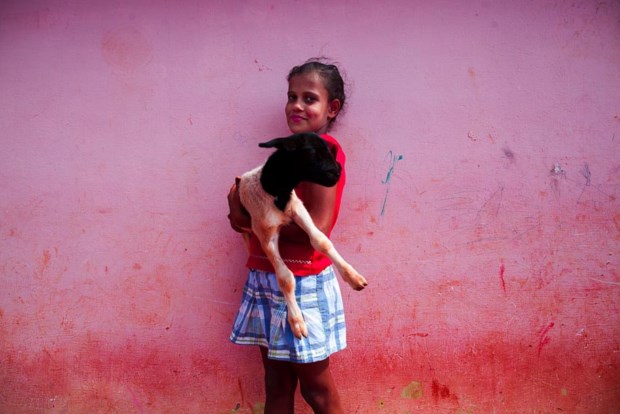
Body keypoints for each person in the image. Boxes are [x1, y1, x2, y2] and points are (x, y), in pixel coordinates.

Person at [227, 58, 364, 414]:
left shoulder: (323, 152)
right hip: (266, 276)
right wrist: (244, 209)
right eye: (292, 96)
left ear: (332, 108)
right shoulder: (286, 154)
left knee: (316, 388)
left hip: (303, 281)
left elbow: (317, 227)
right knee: (276, 383)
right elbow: (256, 209)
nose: (297, 105)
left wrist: (248, 217)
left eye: (309, 98)